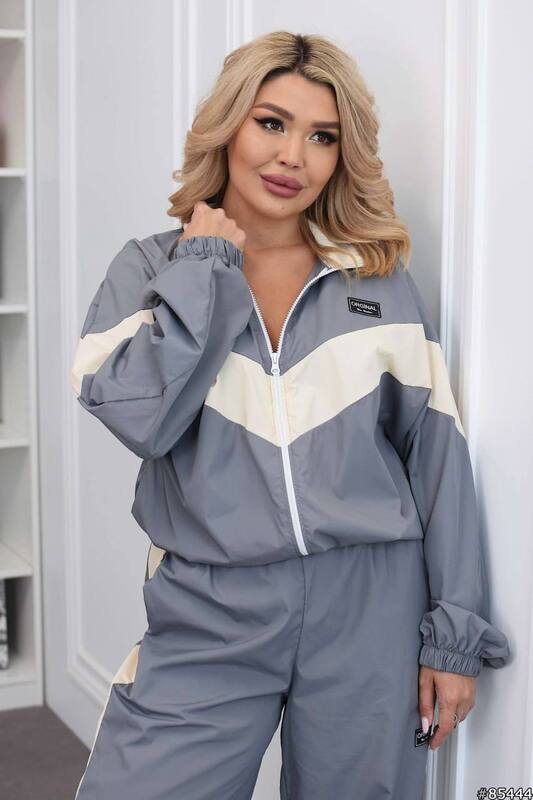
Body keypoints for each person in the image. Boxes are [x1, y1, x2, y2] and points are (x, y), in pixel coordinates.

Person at [71, 30, 510, 800]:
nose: (291, 156)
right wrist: (206, 271)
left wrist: (453, 634)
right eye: (271, 123)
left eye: (321, 137)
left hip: (369, 608)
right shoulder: (150, 268)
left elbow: (435, 459)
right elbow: (141, 417)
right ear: (228, 125)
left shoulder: (374, 278)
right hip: (210, 606)